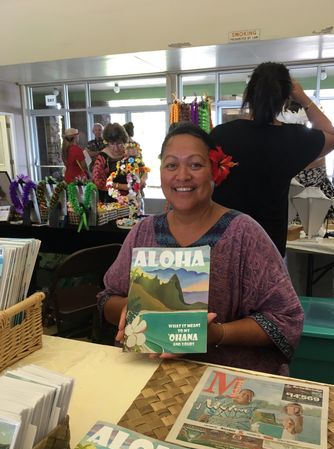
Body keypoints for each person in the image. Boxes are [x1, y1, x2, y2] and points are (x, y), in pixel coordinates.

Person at [97, 123, 304, 375]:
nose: (182, 176)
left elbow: (286, 319)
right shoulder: (144, 231)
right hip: (149, 373)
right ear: (161, 172)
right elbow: (107, 298)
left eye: (195, 164)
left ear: (215, 171)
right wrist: (130, 308)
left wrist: (217, 333)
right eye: (171, 165)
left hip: (225, 380)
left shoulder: (243, 233)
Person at [211, 62, 334, 257]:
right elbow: (332, 135)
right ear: (286, 99)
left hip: (224, 237)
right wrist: (303, 98)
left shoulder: (221, 134)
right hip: (268, 243)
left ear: (248, 95)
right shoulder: (293, 139)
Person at [92, 122, 129, 202]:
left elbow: (140, 171)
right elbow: (97, 181)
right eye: (112, 144)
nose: (116, 148)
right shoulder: (102, 157)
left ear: (124, 141)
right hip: (110, 200)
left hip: (130, 198)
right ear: (107, 142)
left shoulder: (129, 154)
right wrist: (121, 186)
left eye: (119, 143)